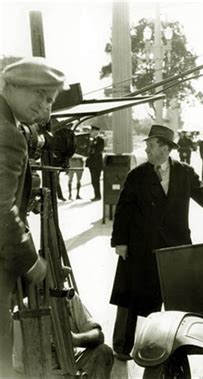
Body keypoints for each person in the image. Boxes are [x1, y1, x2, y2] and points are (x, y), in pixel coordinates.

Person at [109, 124, 203, 360]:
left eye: (150, 145)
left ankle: (175, 349)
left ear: (164, 148)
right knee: (131, 297)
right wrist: (120, 241)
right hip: (141, 247)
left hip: (175, 245)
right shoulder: (137, 175)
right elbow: (123, 210)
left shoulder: (184, 172)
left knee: (175, 299)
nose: (147, 150)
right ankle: (121, 347)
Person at [1, 57, 64, 377]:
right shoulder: (7, 134)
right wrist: (30, 260)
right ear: (10, 86)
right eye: (38, 94)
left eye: (50, 99)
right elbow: (0, 211)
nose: (44, 106)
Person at [14, 269, 114, 378]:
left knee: (104, 352)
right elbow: (19, 367)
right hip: (44, 373)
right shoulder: (23, 310)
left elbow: (98, 335)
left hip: (72, 363)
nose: (63, 282)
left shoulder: (68, 298)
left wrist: (74, 339)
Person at [86, 125, 105, 201]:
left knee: (96, 180)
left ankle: (98, 196)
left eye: (93, 131)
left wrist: (91, 148)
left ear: (96, 132)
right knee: (93, 181)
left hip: (97, 163)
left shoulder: (100, 140)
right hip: (91, 163)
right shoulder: (89, 140)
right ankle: (96, 195)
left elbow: (98, 150)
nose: (92, 132)